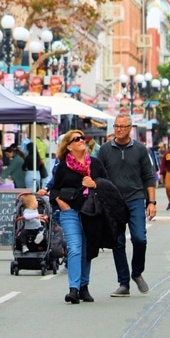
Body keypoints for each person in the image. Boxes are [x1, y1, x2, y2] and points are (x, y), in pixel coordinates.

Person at [97, 115, 157, 296]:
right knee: (118, 242)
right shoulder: (105, 150)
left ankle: (137, 272)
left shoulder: (139, 149)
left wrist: (152, 202)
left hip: (135, 198)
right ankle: (123, 283)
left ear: (130, 128)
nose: (119, 129)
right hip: (113, 201)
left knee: (140, 238)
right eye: (116, 126)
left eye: (123, 127)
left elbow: (149, 176)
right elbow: (99, 175)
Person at [50, 129, 108, 304]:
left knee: (86, 249)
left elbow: (107, 185)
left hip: (91, 212)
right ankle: (73, 289)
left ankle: (84, 286)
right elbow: (54, 188)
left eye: (83, 138)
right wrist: (60, 201)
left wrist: (95, 183)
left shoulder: (95, 164)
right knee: (75, 247)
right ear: (69, 146)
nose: (82, 140)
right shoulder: (62, 166)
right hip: (70, 212)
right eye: (77, 139)